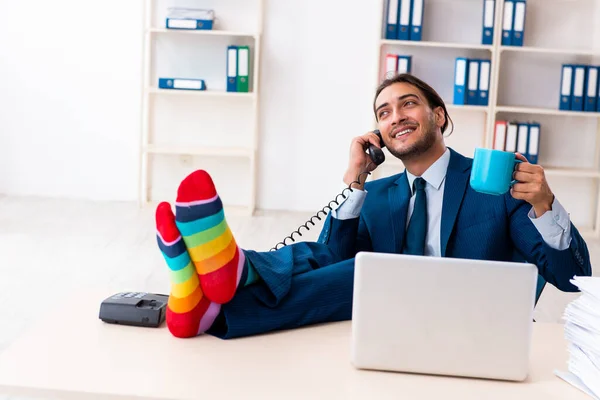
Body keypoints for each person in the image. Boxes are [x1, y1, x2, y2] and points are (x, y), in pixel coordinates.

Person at [155, 73, 593, 340]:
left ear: (438, 116)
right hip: (392, 317)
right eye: (383, 113)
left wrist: (544, 204)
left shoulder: (494, 184)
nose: (395, 116)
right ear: (379, 134)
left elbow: (572, 279)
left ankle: (232, 284)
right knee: (336, 257)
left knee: (365, 268)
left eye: (408, 104)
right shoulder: (381, 196)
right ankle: (213, 298)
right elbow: (330, 256)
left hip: (470, 320)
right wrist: (355, 182)